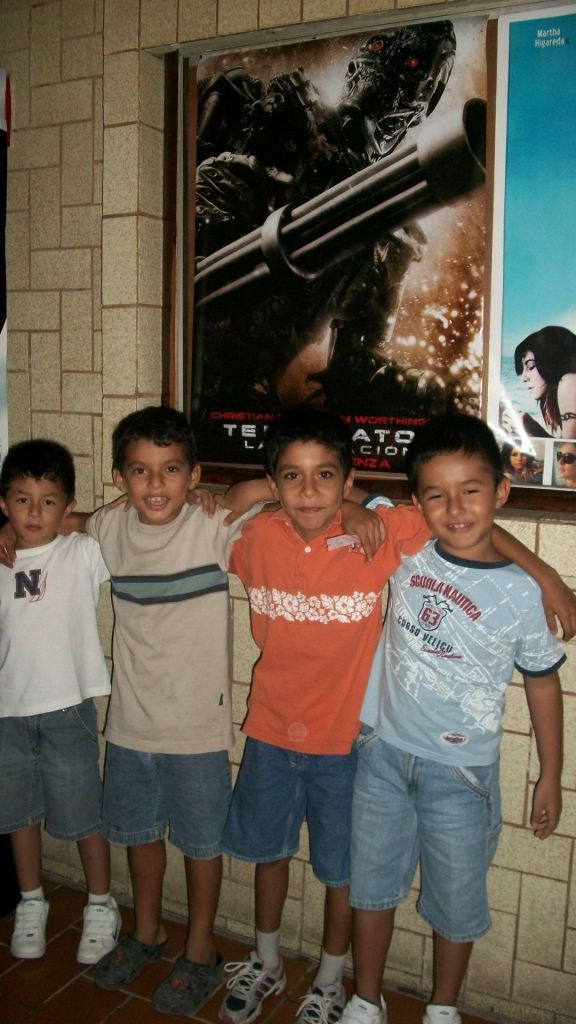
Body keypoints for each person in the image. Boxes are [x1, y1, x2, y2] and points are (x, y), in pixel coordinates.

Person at [213, 407, 573, 1024]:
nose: (454, 508)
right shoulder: (363, 544)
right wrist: (343, 503)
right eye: (292, 478)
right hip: (329, 742)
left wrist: (545, 575)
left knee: (400, 886)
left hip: (410, 757)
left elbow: (464, 523)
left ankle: (389, 995)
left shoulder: (442, 562)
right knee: (320, 870)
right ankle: (315, 978)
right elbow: (245, 501)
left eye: (326, 477)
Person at [341, 414, 565, 1024]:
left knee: (457, 904)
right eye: (436, 495)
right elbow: (347, 494)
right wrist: (358, 509)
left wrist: (550, 775)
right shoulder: (406, 546)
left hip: (462, 775)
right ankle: (366, 999)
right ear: (417, 504)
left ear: (501, 492)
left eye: (471, 490)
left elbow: (543, 685)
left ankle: (443, 1008)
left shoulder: (522, 593)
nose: (456, 507)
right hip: (382, 756)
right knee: (371, 890)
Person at [217, 407, 431, 1024]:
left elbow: (434, 517)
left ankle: (332, 980)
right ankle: (266, 960)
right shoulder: (257, 537)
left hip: (347, 742)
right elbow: (224, 505)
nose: (308, 491)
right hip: (270, 731)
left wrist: (362, 506)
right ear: (274, 481)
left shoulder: (373, 537)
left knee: (342, 869)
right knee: (270, 853)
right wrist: (278, 495)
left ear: (348, 477)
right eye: (292, 476)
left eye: (325, 476)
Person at [75, 405, 260, 1017]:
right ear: (119, 477)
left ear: (194, 474)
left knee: (202, 844)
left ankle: (200, 949)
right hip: (130, 722)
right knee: (139, 835)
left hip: (197, 728)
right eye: (141, 471)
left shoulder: (212, 525)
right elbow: (64, 525)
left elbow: (265, 491)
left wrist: (225, 493)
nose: (156, 484)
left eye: (172, 469)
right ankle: (147, 931)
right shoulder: (109, 527)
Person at [0, 440, 120, 966]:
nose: (34, 513)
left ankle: (100, 902)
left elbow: (120, 522)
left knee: (83, 814)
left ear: (67, 505)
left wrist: (68, 523)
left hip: (68, 709)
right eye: (21, 500)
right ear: (3, 502)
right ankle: (31, 900)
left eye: (48, 501)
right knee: (18, 814)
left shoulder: (81, 552)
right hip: (7, 712)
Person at [514, 325, 576, 438]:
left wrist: (534, 429)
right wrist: (533, 428)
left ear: (552, 363)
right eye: (523, 369)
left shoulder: (570, 382)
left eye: (531, 366)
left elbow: (569, 448)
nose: (523, 377)